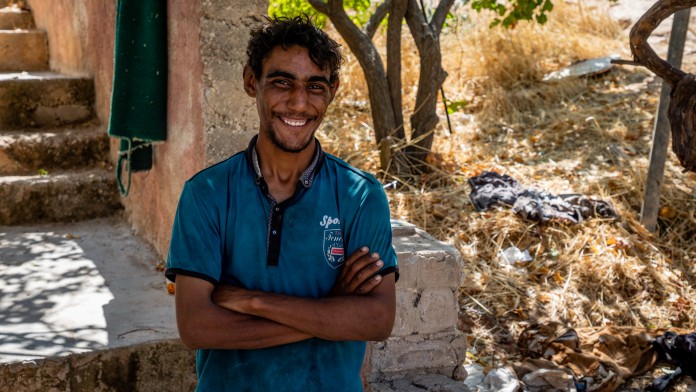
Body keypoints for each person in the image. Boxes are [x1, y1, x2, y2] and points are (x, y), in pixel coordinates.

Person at [165, 15, 398, 392]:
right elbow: (196, 327)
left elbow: (377, 319)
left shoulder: (360, 195)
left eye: (315, 86)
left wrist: (254, 301)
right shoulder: (205, 194)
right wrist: (330, 312)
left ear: (333, 90)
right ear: (250, 81)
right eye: (281, 82)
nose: (298, 102)